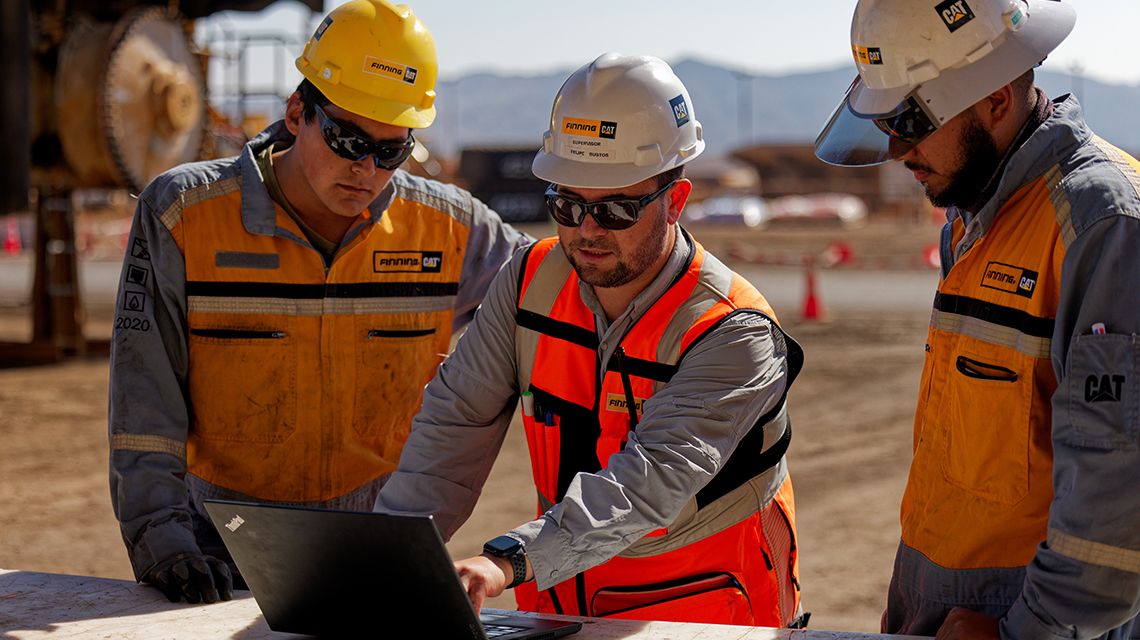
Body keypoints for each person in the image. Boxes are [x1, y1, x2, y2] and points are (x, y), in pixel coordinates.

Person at [108, 0, 529, 605]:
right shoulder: (184, 215)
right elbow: (144, 396)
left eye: (390, 152)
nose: (366, 169)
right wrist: (162, 538)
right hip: (219, 548)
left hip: (381, 543)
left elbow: (555, 298)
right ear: (297, 112)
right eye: (347, 138)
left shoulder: (450, 229)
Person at [375, 53, 806, 628]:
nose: (587, 230)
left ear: (675, 201)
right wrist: (387, 559)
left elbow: (646, 483)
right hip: (562, 607)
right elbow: (456, 420)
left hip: (698, 614)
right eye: (568, 205)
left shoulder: (732, 331)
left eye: (616, 209)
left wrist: (508, 561)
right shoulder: (529, 280)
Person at [815, 1, 1140, 638]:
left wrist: (1026, 631)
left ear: (995, 100)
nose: (896, 146)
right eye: (886, 119)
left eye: (910, 119)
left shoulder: (1103, 224)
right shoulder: (971, 208)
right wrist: (913, 591)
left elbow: (1119, 487)